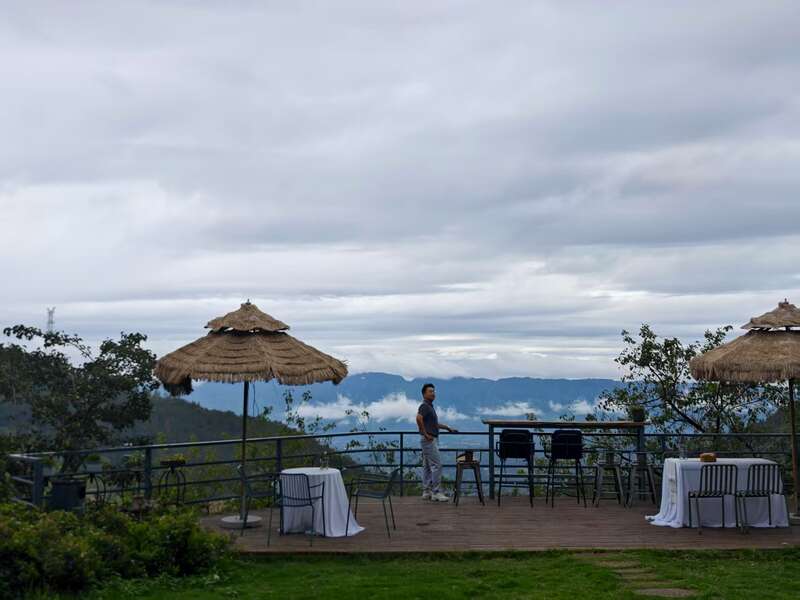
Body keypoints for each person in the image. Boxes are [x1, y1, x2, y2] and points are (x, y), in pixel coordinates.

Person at [416, 383, 458, 501]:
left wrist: (448, 428)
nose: (433, 393)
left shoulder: (429, 406)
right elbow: (418, 418)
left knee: (427, 466)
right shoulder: (424, 406)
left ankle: (426, 491)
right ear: (424, 394)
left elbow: (434, 424)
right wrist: (425, 434)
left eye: (433, 391)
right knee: (437, 465)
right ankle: (436, 492)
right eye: (430, 391)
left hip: (427, 439)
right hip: (429, 440)